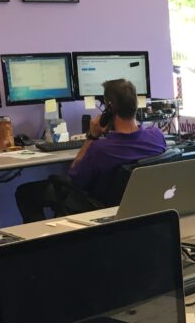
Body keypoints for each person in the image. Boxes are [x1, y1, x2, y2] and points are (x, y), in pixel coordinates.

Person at [14, 78, 166, 222]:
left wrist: (92, 136)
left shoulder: (101, 149)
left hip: (98, 204)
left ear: (109, 109)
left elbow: (75, 177)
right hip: (138, 207)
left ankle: (45, 240)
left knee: (25, 192)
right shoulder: (157, 136)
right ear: (136, 103)